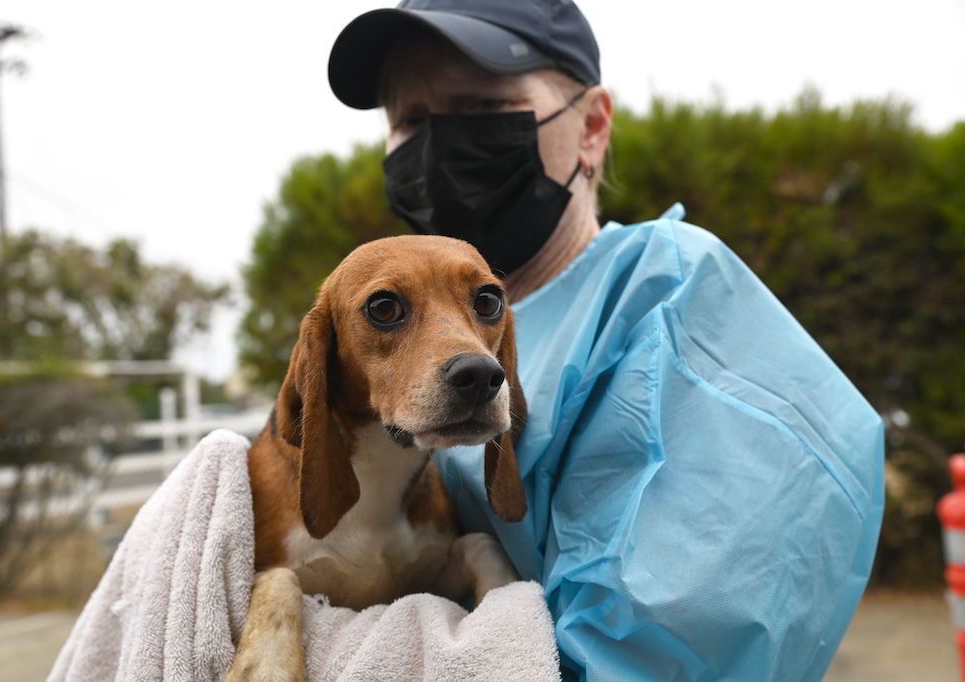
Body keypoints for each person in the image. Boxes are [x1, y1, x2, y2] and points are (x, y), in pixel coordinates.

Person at [327, 1, 885, 680]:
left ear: (591, 127)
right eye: (410, 121)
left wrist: (320, 645)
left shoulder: (664, 301)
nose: (438, 146)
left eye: (480, 106)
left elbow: (653, 659)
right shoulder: (408, 352)